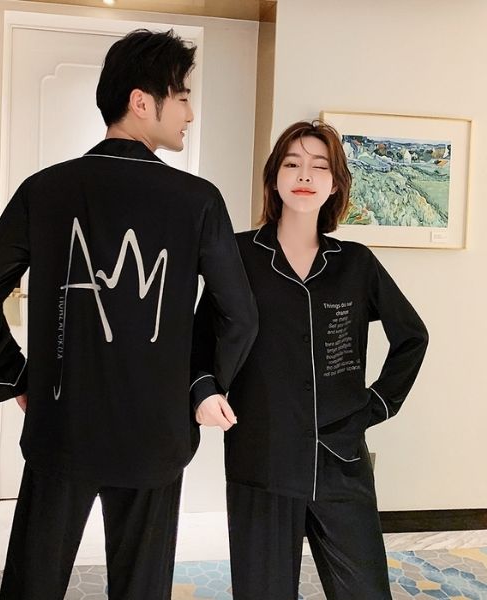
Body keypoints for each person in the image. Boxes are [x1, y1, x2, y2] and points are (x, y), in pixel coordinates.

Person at [0, 29, 257, 600]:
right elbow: (238, 315)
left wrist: (14, 377)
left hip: (61, 428)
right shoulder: (198, 200)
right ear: (142, 101)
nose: (190, 112)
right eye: (183, 96)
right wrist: (204, 385)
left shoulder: (45, 190)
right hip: (155, 434)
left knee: (32, 585)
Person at [191, 120, 429, 599]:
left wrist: (377, 405)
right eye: (292, 163)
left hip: (340, 457)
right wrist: (204, 390)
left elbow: (412, 337)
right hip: (262, 456)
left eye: (320, 166)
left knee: (366, 591)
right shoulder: (238, 254)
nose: (305, 174)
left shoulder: (355, 263)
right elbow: (198, 340)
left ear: (335, 184)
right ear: (274, 177)